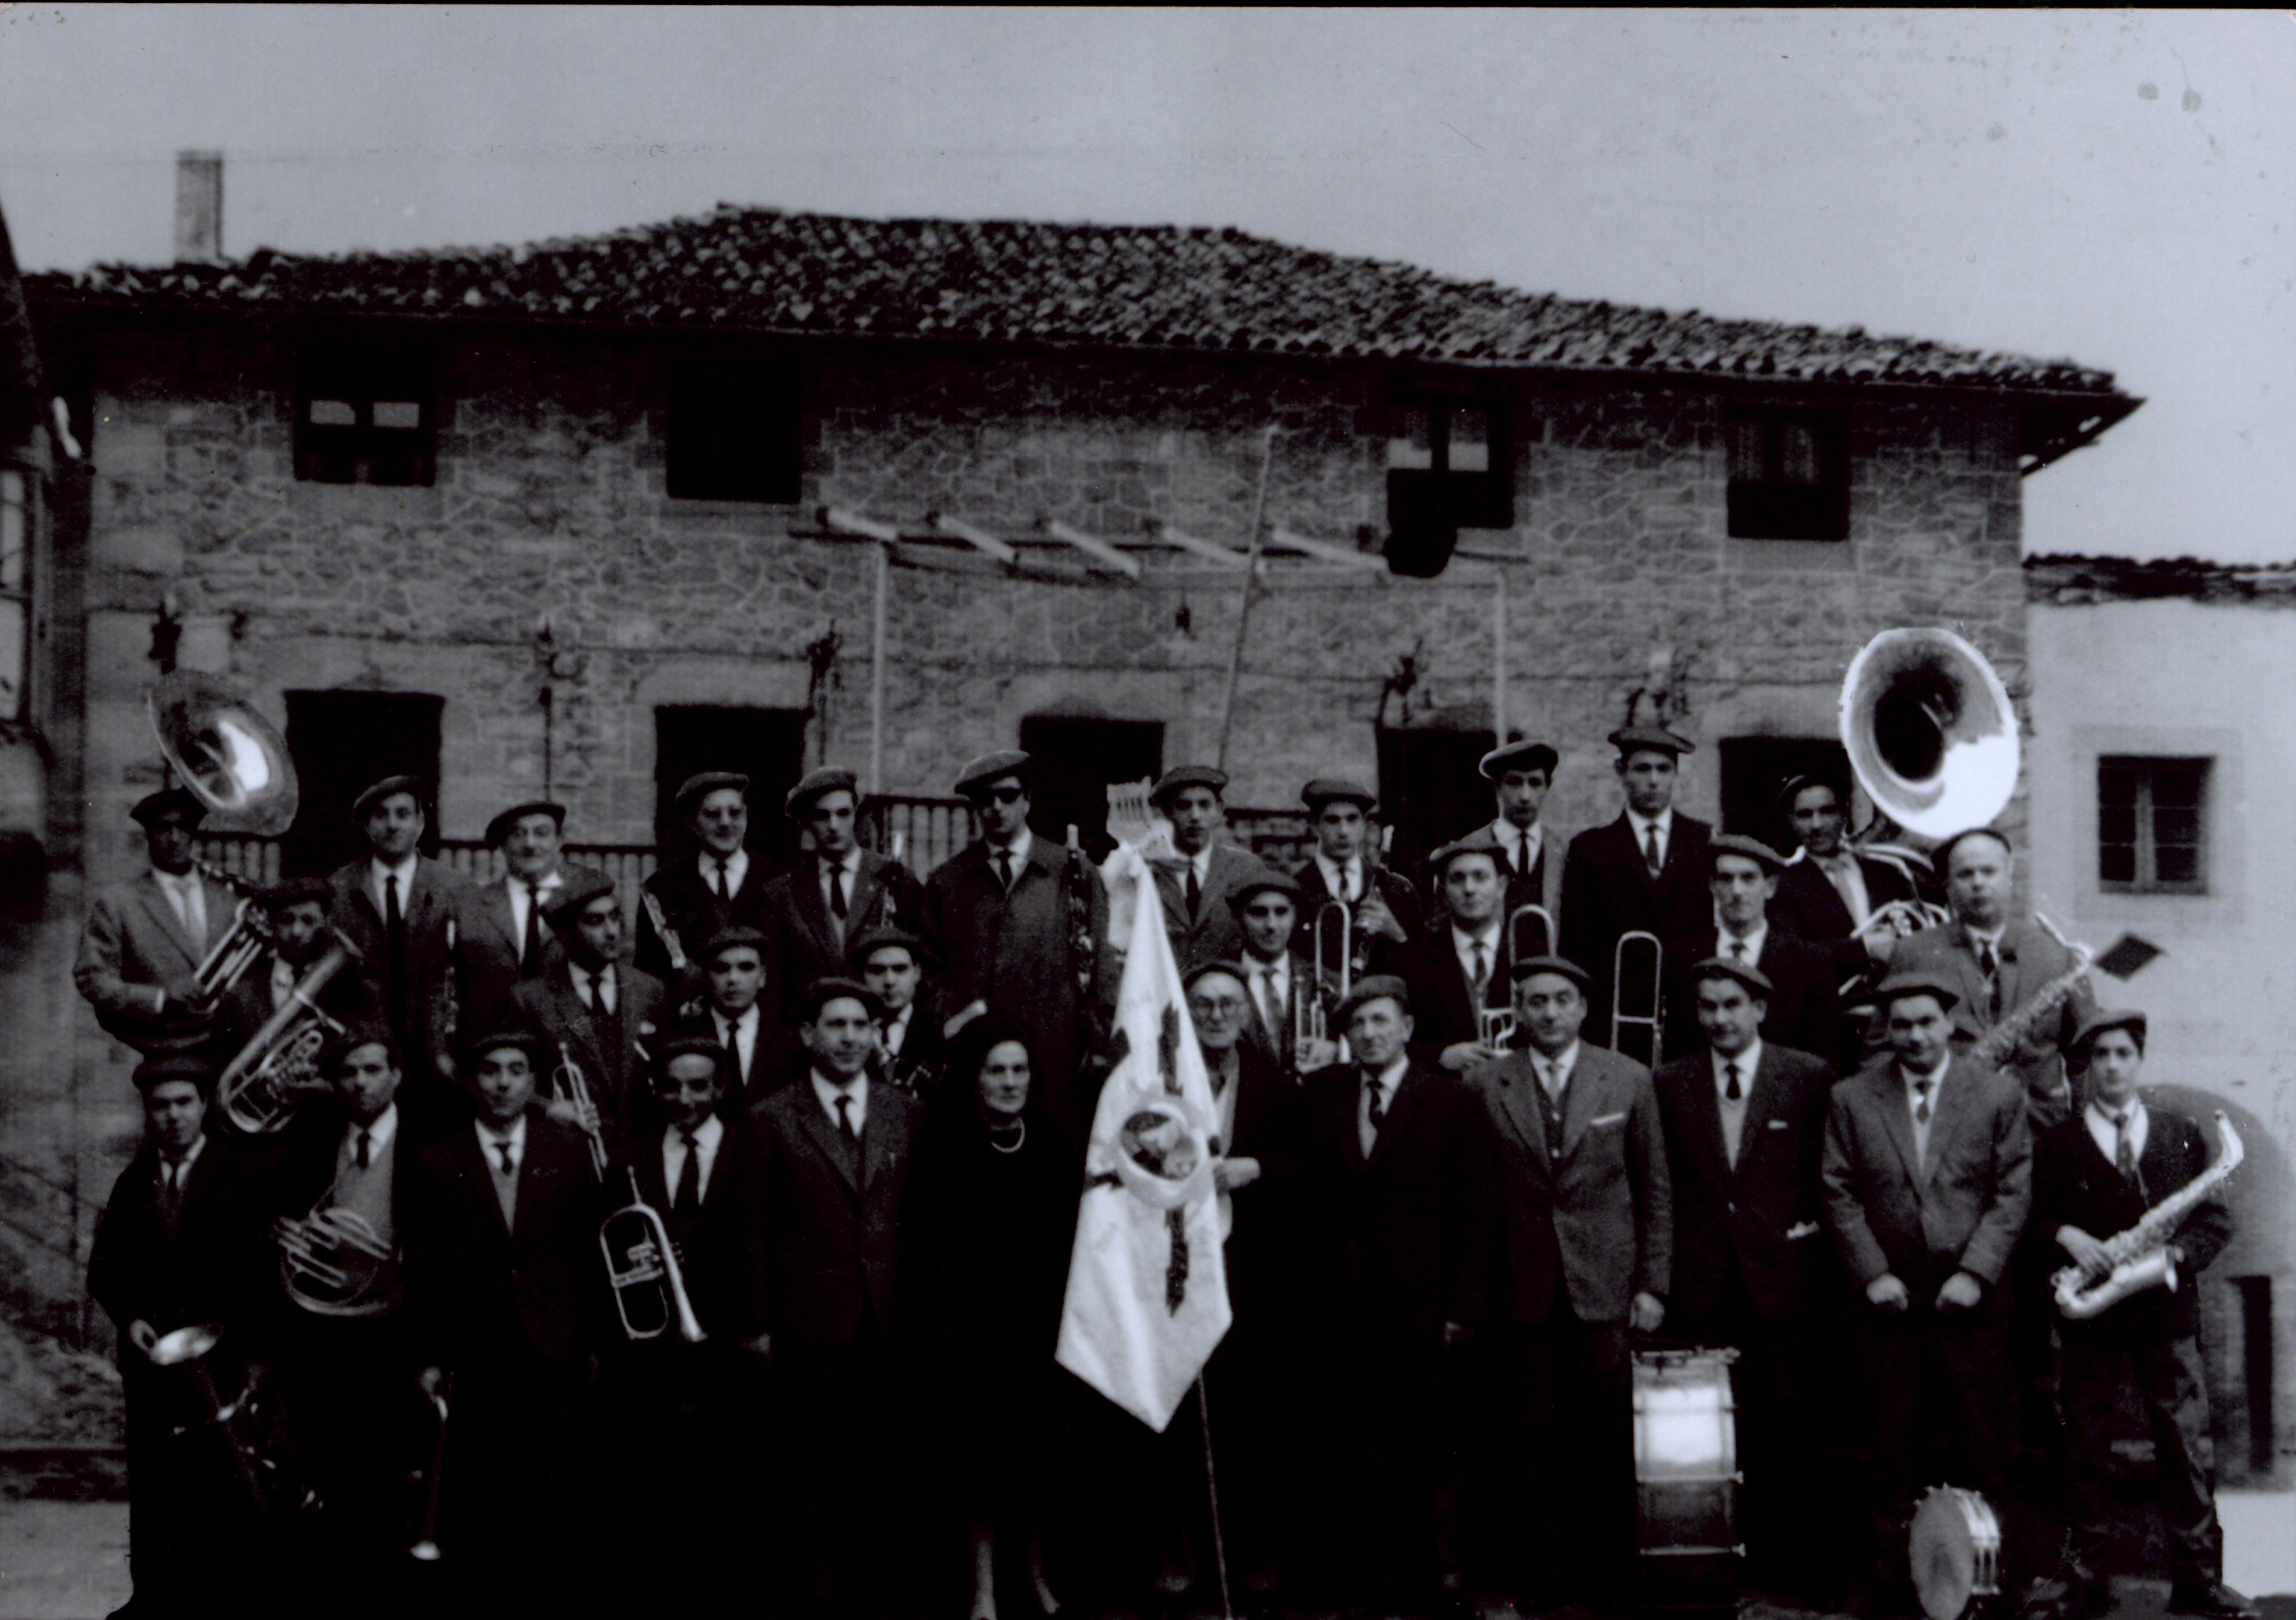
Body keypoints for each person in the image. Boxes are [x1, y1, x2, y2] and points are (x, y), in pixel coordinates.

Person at [2022, 1011, 2258, 1620]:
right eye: (2100, 1056)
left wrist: (2175, 1253)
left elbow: (2213, 1220)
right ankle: (2085, 1581)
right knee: (2086, 1450)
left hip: (2163, 1309)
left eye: (2123, 1053)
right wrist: (2067, 1235)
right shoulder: (2057, 1143)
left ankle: (2199, 1582)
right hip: (2092, 1314)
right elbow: (2033, 1222)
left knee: (2184, 1448)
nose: (2112, 1066)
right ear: (2087, 1066)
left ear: (2139, 1059)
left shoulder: (2181, 1132)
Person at [1462, 953, 1669, 1615]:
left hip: (1604, 1286)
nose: (1548, 1013)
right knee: (1531, 1441)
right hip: (1521, 1287)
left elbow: (1655, 1190)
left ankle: (1600, 1576)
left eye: (1560, 1000)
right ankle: (1543, 1577)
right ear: (1516, 1011)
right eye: (1534, 1001)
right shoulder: (1485, 1084)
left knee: (1604, 1438)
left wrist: (1652, 1285)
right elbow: (1472, 1202)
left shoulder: (1628, 1078)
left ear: (1581, 1008)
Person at [1821, 973, 2032, 1616]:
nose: (1913, 1035)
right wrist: (1871, 1273)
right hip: (1889, 1305)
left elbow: (2011, 1191)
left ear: (1949, 1024)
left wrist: (1974, 1272)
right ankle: (1892, 1586)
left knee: (1981, 1445)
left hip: (1970, 1306)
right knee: (1888, 1449)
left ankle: (1988, 1586)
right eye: (1900, 1024)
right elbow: (1837, 1190)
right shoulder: (1852, 1098)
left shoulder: (1995, 1095)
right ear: (1886, 1029)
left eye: (1925, 1022)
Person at [1295, 976, 1494, 1614]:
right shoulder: (1324, 1094)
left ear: (1407, 1027)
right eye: (1357, 1026)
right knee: (1360, 1447)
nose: (1370, 1034)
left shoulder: (1451, 1101)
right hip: (1350, 1305)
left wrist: (1463, 1306)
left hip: (1425, 1307)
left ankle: (1439, 1572)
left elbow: (1475, 1210)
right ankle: (1374, 1576)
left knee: (1434, 1449)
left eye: (1381, 1021)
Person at [1650, 958, 1839, 1596]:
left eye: (1732, 1004)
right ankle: (1721, 1570)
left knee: (1793, 1429)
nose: (1719, 1018)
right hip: (1703, 1282)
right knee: (1712, 1432)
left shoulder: (1807, 1076)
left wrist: (1805, 1233)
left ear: (1759, 1008)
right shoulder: (1670, 1081)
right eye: (1707, 1006)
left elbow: (1827, 1174)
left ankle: (1803, 1573)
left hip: (1784, 1279)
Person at [400, 1028, 605, 1607]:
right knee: (481, 1490)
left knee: (553, 1487)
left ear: (533, 1082)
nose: (503, 1082)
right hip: (475, 1353)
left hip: (553, 1348)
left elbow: (588, 1254)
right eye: (489, 1070)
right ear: (468, 1081)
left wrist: (590, 1340)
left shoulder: (566, 1150)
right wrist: (427, 1357)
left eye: (516, 1070)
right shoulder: (435, 1162)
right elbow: (422, 1272)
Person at [749, 976, 925, 1614]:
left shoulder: (902, 1110)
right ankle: (817, 1599)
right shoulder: (770, 1118)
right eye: (836, 1025)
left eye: (861, 1026)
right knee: (812, 1479)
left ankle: (878, 1599)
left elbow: (917, 1219)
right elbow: (753, 1229)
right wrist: (760, 1324)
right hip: (809, 1329)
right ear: (807, 1034)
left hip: (886, 1324)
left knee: (882, 1476)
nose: (850, 1038)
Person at [87, 1050, 279, 1616]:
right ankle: (154, 1600)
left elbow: (266, 1274)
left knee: (225, 1482)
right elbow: (105, 1267)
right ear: (148, 1113)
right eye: (159, 1105)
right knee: (155, 1488)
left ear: (202, 1106)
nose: (171, 1115)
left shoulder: (242, 1173)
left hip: (222, 1363)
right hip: (153, 1367)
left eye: (182, 1103)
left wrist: (258, 1355)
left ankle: (228, 1600)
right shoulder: (133, 1181)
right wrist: (132, 1318)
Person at [906, 1014, 1076, 1620]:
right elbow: (927, 1249)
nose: (1010, 1082)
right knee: (979, 1467)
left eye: (1020, 1069)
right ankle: (983, 1591)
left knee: (1036, 1463)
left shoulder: (1051, 1142)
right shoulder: (943, 1145)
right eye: (996, 1070)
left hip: (1039, 1332)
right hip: (970, 1337)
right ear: (974, 1079)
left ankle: (1033, 1576)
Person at [598, 1028, 773, 1611]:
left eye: (700, 1087)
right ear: (653, 1090)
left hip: (732, 1342)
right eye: (672, 1088)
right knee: (658, 1487)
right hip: (655, 1352)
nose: (687, 1099)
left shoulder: (755, 1147)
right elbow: (604, 1251)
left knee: (733, 1484)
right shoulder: (627, 1158)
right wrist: (635, 1260)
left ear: (721, 1088)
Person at [1164, 962, 1307, 1608]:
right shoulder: (1157, 1085)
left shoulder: (1276, 1088)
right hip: (1177, 1278)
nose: (1215, 1015)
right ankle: (1181, 1564)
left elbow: (1310, 1170)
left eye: (1227, 1004)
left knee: (1250, 1433)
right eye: (1202, 1005)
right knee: (1178, 1432)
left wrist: (1258, 1168)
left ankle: (1253, 1564)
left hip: (1251, 1285)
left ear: (1245, 1014)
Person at [266, 1028, 417, 1599]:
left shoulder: (428, 1141)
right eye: (349, 1072)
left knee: (388, 1468)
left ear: (395, 1075)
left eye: (372, 1069)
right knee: (327, 1463)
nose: (359, 1082)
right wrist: (285, 1231)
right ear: (334, 1081)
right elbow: (283, 1217)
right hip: (323, 1331)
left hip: (396, 1331)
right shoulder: (310, 1136)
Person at [920, 750, 1112, 1147]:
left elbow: (1102, 965)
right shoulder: (949, 881)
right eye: (985, 799)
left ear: (1028, 799)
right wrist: (955, 1023)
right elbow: (927, 971)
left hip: (1057, 1059)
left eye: (1008, 796)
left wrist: (1096, 1042)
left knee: (1055, 1167)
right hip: (977, 1064)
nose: (996, 807)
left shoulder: (1072, 873)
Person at [1878, 828, 2096, 1130]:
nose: (1978, 883)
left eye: (1988, 871)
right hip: (1945, 1134)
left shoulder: (2055, 954)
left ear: (2009, 877)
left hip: (2039, 1133)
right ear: (1948, 886)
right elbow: (1879, 1055)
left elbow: (2086, 1058)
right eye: (1965, 874)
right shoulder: (1912, 953)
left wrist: (2086, 1134)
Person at [326, 775, 470, 1133]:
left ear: (420, 823)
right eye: (381, 815)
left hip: (435, 1058)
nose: (392, 824)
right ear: (367, 825)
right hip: (367, 1057)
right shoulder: (339, 888)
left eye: (403, 814)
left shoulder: (455, 887)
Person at [1559, 725, 1714, 1049]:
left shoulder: (1702, 840)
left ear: (1675, 774)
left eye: (1663, 769)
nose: (1654, 781)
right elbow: (1575, 944)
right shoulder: (1590, 848)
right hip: (1612, 1012)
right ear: (1621, 771)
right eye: (1642, 769)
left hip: (1686, 1012)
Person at [75, 787, 245, 1051]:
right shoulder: (118, 902)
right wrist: (160, 998)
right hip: (158, 1045)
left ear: (194, 834)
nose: (174, 838)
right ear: (149, 836)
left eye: (183, 827)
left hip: (224, 1046)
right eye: (162, 828)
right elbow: (92, 978)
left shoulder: (226, 898)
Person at [760, 766, 922, 1041]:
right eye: (822, 816)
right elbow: (774, 983)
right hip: (811, 1039)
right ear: (806, 822)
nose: (833, 825)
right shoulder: (781, 893)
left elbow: (921, 962)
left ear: (855, 816)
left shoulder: (894, 879)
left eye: (843, 813)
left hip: (880, 1033)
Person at [508, 875, 668, 1149]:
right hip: (567, 1151)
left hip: (642, 1151)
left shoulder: (649, 990)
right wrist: (548, 1108)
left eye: (615, 917)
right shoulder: (530, 999)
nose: (612, 931)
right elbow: (508, 1080)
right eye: (595, 921)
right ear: (567, 933)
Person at [1659, 832, 1845, 1066]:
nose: (1736, 891)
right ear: (1713, 887)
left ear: (1769, 887)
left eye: (1748, 878)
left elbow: (1823, 1058)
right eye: (1726, 879)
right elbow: (1675, 1052)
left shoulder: (1809, 961)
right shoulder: (1682, 958)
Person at [454, 800, 611, 1038]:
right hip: (492, 1044)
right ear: (503, 845)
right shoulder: (471, 904)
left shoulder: (588, 902)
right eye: (518, 834)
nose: (530, 844)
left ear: (559, 841)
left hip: (573, 1042)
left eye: (541, 833)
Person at [211, 875, 380, 1067]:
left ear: (325, 924)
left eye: (308, 921)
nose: (296, 931)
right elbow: (221, 1067)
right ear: (270, 923)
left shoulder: (351, 993)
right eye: (286, 920)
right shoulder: (239, 996)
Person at [635, 771, 777, 988]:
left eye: (735, 813)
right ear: (691, 822)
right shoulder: (662, 887)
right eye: (712, 814)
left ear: (747, 816)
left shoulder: (779, 882)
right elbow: (648, 973)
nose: (725, 823)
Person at [1389, 835, 1515, 1072]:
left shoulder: (1525, 951)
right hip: (1446, 1095)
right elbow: (1395, 1039)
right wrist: (1441, 1055)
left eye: (1480, 877)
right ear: (1444, 892)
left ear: (1501, 886)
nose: (1469, 889)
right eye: (1458, 879)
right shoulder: (1417, 958)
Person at [1767, 774, 1922, 953]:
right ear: (1792, 821)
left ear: (1844, 814)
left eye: (1827, 812)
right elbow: (1793, 955)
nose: (1816, 825)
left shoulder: (1886, 871)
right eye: (1805, 815)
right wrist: (1864, 949)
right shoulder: (1783, 885)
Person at [1146, 765, 1267, 973]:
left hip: (1225, 992)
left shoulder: (1246, 869)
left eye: (1204, 805)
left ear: (1219, 810)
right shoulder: (1148, 870)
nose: (1194, 816)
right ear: (1167, 812)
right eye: (1183, 806)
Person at [1291, 778, 1418, 969]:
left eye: (1352, 819)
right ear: (1315, 824)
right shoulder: (1292, 890)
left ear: (1364, 824)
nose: (1343, 831)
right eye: (1332, 820)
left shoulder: (1398, 890)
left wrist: (1397, 934)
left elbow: (1424, 971)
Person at [1228, 871, 1340, 1079]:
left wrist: (1335, 1050)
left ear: (1295, 916)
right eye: (1258, 913)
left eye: (1281, 912)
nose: (1271, 925)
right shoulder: (1218, 981)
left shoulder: (1328, 981)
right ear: (1237, 917)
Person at [1473, 738, 1564, 928]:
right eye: (1514, 783)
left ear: (1547, 787)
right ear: (1497, 787)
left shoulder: (1564, 851)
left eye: (1535, 783)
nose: (1525, 796)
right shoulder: (1472, 849)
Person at [847, 926, 945, 1094]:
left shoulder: (939, 1030)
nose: (889, 981)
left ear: (917, 973)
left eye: (900, 969)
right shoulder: (848, 1032)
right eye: (877, 970)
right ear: (861, 976)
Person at [693, 925, 781, 1103]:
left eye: (746, 967)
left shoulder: (786, 1037)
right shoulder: (689, 1033)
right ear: (706, 978)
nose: (733, 978)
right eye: (721, 968)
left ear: (762, 976)